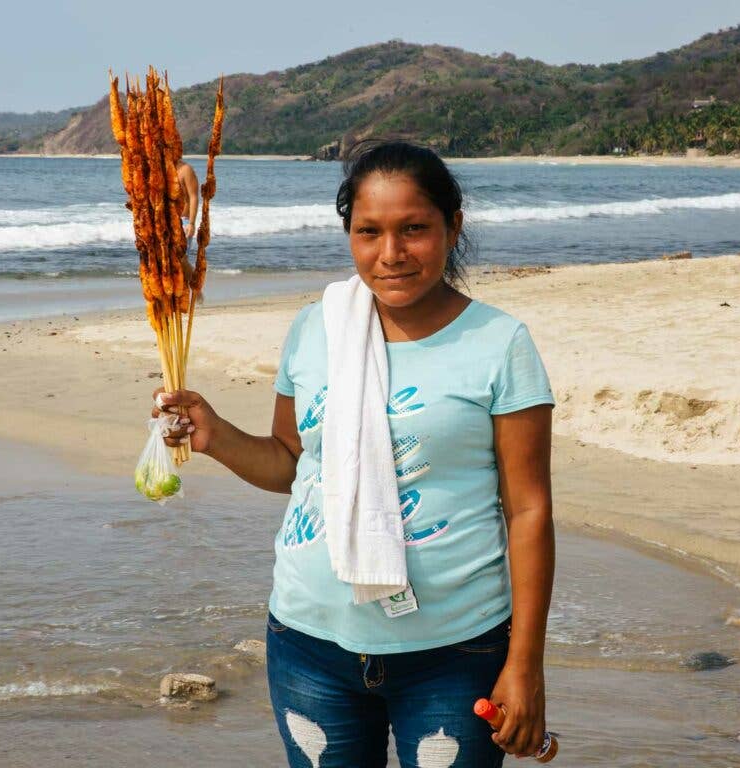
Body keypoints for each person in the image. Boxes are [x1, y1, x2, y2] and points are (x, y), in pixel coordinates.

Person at [152, 142, 555, 767]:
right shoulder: (318, 328)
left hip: (455, 652)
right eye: (369, 232)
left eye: (414, 229)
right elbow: (289, 461)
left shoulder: (500, 344)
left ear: (453, 227)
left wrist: (525, 665)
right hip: (308, 642)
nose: (390, 254)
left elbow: (528, 511)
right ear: (349, 234)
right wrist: (214, 433)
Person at [177, 159, 200, 239]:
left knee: (181, 251)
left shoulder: (186, 169)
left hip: (182, 222)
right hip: (161, 223)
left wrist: (191, 223)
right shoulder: (158, 170)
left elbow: (194, 197)